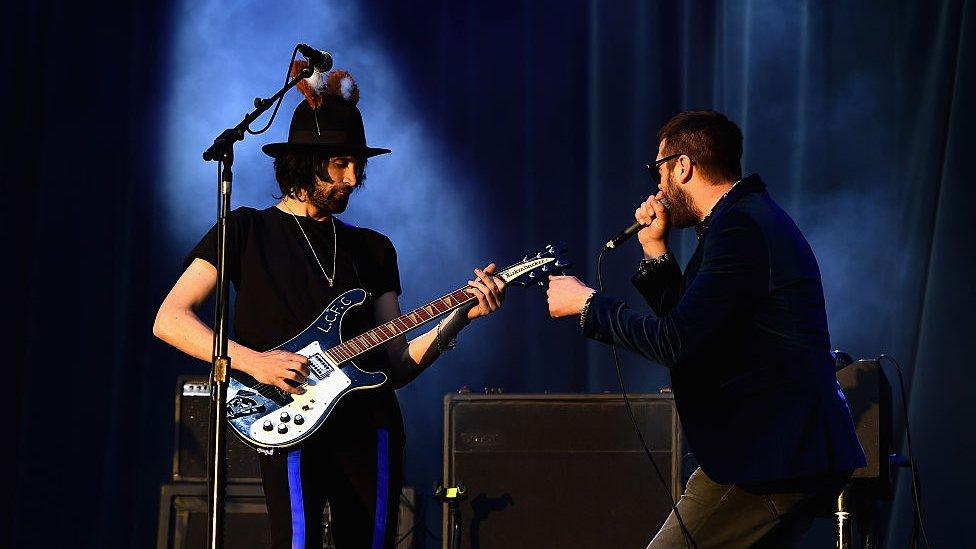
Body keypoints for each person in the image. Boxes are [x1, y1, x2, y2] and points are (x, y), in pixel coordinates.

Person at [153, 66, 506, 548]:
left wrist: (459, 316)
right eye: (341, 163)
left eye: (358, 164)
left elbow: (397, 363)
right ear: (303, 163)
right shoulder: (244, 231)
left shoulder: (374, 249)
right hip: (288, 415)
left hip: (371, 424)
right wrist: (254, 362)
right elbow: (169, 319)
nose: (354, 177)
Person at [546, 110, 865, 547]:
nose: (657, 186)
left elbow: (676, 341)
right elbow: (695, 328)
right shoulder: (738, 220)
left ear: (682, 165)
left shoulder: (740, 228)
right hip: (779, 454)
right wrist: (655, 250)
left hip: (769, 458)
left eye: (658, 169)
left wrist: (588, 305)